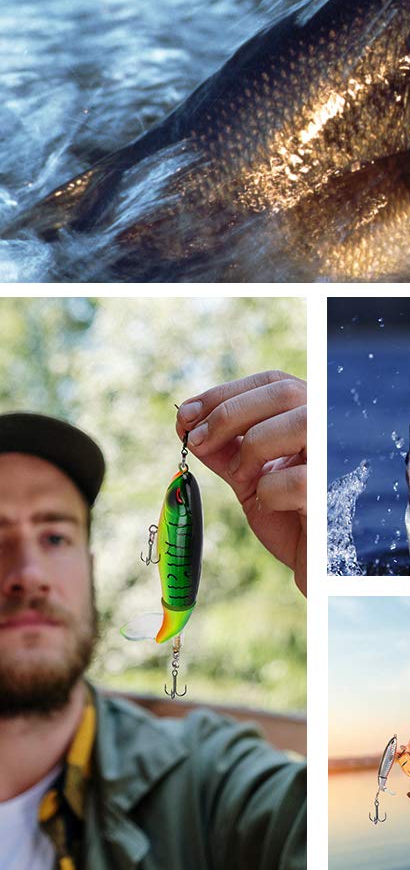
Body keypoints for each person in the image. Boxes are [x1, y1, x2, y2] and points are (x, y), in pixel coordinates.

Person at [0, 370, 307, 870]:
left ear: (90, 566)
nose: (28, 575)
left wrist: (332, 578)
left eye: (55, 538)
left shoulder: (208, 781)